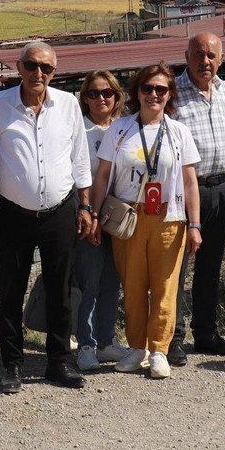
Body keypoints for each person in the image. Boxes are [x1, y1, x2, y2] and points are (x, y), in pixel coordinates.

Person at [0, 41, 93, 393]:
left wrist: (86, 205)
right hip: (13, 214)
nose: (38, 73)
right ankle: (12, 364)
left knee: (60, 289)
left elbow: (80, 158)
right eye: (31, 65)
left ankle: (58, 361)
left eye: (46, 68)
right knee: (10, 290)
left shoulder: (69, 104)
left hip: (61, 211)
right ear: (18, 67)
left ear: (54, 73)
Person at [89, 63, 202, 379]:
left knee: (165, 287)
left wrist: (195, 225)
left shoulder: (179, 132)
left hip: (169, 218)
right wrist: (95, 215)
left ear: (170, 95)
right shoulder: (120, 129)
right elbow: (101, 177)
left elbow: (190, 182)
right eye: (147, 88)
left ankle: (159, 351)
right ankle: (137, 347)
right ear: (136, 92)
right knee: (134, 286)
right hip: (128, 217)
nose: (154, 94)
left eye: (161, 89)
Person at [171, 32, 225, 362]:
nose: (205, 61)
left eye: (212, 55)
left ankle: (205, 333)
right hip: (188, 190)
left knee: (211, 264)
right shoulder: (172, 93)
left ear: (221, 59)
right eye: (199, 54)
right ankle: (172, 337)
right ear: (186, 57)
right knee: (177, 266)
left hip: (221, 188)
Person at [73, 70, 131, 371]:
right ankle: (85, 344)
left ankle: (107, 342)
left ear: (116, 96)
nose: (101, 98)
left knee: (112, 279)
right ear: (84, 98)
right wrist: (89, 213)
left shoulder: (126, 128)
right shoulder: (78, 131)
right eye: (93, 93)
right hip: (87, 215)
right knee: (88, 281)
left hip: (119, 215)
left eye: (107, 92)